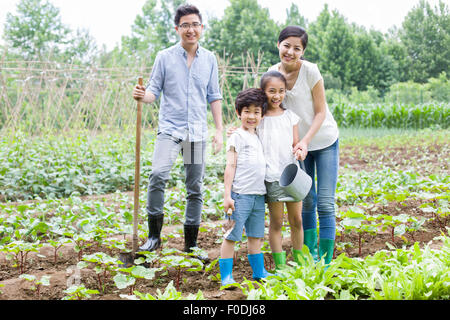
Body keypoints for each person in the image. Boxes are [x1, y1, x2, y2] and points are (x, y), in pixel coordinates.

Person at [132, 4, 223, 260]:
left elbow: (214, 96)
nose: (190, 30)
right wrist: (142, 95)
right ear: (177, 29)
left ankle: (191, 244)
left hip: (196, 134)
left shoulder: (209, 59)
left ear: (201, 28)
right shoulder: (164, 57)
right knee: (158, 174)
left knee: (194, 187)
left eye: (195, 24)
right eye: (185, 25)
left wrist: (219, 129)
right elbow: (152, 92)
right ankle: (154, 238)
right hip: (170, 131)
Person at [268, 26, 339, 265]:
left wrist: (306, 140)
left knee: (326, 202)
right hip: (298, 148)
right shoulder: (272, 74)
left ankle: (326, 262)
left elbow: (321, 112)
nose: (290, 51)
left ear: (303, 51)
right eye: (286, 45)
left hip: (323, 140)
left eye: (297, 48)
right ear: (278, 45)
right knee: (306, 199)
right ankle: (311, 256)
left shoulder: (310, 71)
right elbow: (264, 110)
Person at [219, 88, 270, 286]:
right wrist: (227, 195)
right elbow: (230, 165)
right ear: (238, 112)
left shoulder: (258, 135)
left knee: (256, 236)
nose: (251, 116)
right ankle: (226, 277)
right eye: (247, 111)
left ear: (262, 115)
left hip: (258, 195)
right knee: (231, 235)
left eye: (256, 112)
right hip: (239, 196)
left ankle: (259, 272)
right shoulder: (236, 137)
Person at [257, 70, 304, 270]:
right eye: (272, 91)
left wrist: (300, 150)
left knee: (297, 220)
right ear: (263, 92)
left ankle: (301, 262)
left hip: (292, 176)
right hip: (271, 177)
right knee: (276, 223)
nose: (277, 96)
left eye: (281, 91)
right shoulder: (259, 118)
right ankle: (281, 266)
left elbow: (296, 143)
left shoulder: (291, 117)